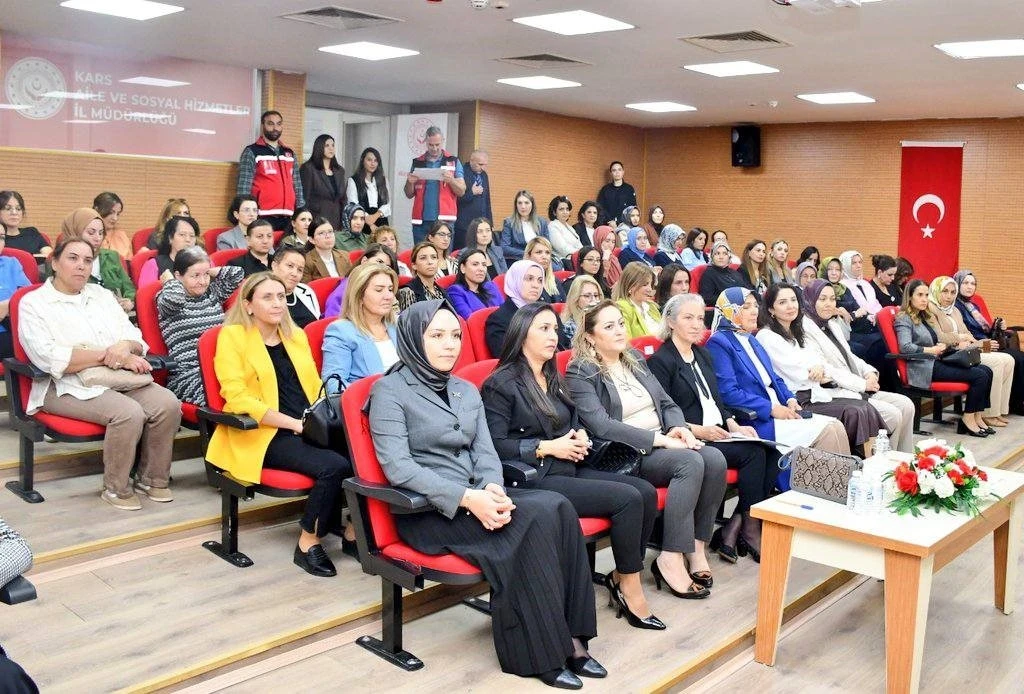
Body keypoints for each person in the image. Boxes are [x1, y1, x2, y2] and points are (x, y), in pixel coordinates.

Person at [368, 300, 602, 688]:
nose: (450, 344)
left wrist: (492, 486)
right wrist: (467, 498)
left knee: (559, 507)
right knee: (532, 523)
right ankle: (538, 655)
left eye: (455, 335)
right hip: (430, 511)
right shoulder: (388, 391)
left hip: (479, 496)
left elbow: (485, 451)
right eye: (437, 335)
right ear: (412, 339)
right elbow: (399, 467)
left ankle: (575, 640)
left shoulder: (463, 388)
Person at [483, 302, 663, 630]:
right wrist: (547, 447)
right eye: (543, 329)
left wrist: (578, 434)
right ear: (521, 334)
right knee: (628, 499)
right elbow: (494, 445)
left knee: (646, 492)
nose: (553, 336)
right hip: (535, 477)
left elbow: (572, 419)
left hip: (569, 465)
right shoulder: (501, 383)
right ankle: (629, 586)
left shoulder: (551, 375)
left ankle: (623, 573)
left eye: (555, 329)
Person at [568, 300, 725, 596]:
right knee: (690, 462)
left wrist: (678, 427)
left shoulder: (635, 359)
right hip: (628, 453)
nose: (619, 330)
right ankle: (670, 557)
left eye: (621, 323)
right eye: (609, 326)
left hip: (663, 442)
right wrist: (660, 440)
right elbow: (602, 426)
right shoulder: (581, 371)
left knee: (714, 458)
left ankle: (696, 547)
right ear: (590, 336)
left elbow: (667, 403)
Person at [206, 272, 352, 576]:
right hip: (263, 433)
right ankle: (308, 543)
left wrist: (320, 419)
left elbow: (313, 387)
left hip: (306, 424)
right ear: (248, 305)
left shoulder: (295, 336)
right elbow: (237, 398)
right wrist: (293, 424)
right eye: (267, 297)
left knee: (362, 453)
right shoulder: (232, 337)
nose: (277, 303)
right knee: (333, 466)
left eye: (281, 297)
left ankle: (352, 532)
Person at [19, 238, 182, 510]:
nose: (81, 266)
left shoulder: (101, 295)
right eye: (73, 258)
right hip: (62, 384)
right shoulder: (34, 303)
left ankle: (151, 478)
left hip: (117, 375)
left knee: (168, 403)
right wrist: (109, 354)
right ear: (54, 263)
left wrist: (125, 346)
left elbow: (134, 337)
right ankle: (116, 488)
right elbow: (48, 358)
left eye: (87, 260)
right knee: (128, 412)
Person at [650, 294, 780, 562]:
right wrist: (699, 430)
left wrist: (733, 423)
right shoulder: (661, 361)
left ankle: (736, 525)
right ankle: (749, 529)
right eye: (688, 318)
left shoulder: (702, 354)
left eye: (700, 318)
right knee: (755, 455)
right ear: (671, 322)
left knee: (772, 453)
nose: (696, 324)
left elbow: (717, 399)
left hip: (719, 431)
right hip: (691, 437)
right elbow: (663, 414)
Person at [705, 287, 850, 453]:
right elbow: (728, 393)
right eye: (745, 307)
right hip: (758, 419)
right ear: (729, 311)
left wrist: (790, 399)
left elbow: (774, 378)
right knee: (828, 431)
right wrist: (771, 408)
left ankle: (840, 471)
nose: (754, 311)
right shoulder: (719, 342)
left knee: (836, 425)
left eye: (755, 306)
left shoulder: (751, 339)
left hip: (780, 410)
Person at [755, 283, 887, 456]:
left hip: (815, 393)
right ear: (771, 309)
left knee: (864, 408)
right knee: (855, 410)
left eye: (793, 300)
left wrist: (818, 368)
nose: (790, 306)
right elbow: (799, 372)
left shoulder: (795, 332)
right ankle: (859, 463)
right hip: (797, 400)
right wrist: (816, 370)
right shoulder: (767, 336)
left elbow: (818, 363)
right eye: (782, 302)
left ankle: (871, 463)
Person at [801, 279, 916, 453]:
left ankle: (904, 458)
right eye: (822, 299)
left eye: (832, 299)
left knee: (906, 405)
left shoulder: (832, 324)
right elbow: (827, 369)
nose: (829, 304)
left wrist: (869, 372)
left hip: (857, 387)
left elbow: (850, 356)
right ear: (810, 300)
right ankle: (884, 460)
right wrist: (863, 384)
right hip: (836, 392)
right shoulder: (805, 330)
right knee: (893, 414)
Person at [895, 279, 993, 437]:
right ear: (910, 297)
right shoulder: (904, 318)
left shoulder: (925, 316)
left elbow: (938, 339)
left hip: (938, 360)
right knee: (979, 375)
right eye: (920, 295)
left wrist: (942, 346)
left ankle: (977, 416)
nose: (924, 299)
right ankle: (967, 419)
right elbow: (905, 347)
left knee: (986, 370)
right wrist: (931, 349)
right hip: (923, 367)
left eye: (926, 295)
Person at [157, 247, 244, 405]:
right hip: (188, 375)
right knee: (232, 391)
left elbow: (237, 274)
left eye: (206, 275)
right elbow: (176, 297)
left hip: (223, 365)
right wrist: (169, 281)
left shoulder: (212, 293)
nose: (203, 281)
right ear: (178, 275)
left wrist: (209, 270)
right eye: (195, 276)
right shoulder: (167, 297)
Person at [927, 276, 1016, 428]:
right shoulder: (931, 309)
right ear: (936, 291)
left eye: (952, 292)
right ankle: (988, 413)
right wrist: (962, 339)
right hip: (952, 353)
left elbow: (968, 333)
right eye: (945, 291)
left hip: (968, 349)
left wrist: (981, 344)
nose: (949, 296)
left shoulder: (955, 310)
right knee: (997, 362)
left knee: (1009, 359)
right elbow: (940, 337)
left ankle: (998, 411)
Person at [954, 269, 1024, 414]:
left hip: (988, 343)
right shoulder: (956, 307)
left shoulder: (973, 306)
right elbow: (966, 334)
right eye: (965, 283)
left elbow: (983, 331)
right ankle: (1015, 403)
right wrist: (985, 343)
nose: (969, 287)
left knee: (1020, 357)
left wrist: (998, 326)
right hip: (975, 346)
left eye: (973, 284)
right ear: (957, 284)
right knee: (1016, 357)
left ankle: (1015, 401)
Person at [321, 263, 398, 389]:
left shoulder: (398, 325)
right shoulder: (341, 331)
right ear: (359, 296)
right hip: (371, 398)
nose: (389, 296)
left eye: (390, 289)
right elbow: (333, 385)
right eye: (379, 290)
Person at [486, 260, 570, 358]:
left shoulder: (548, 313)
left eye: (540, 280)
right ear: (515, 280)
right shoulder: (499, 319)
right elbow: (507, 358)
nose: (536, 285)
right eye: (529, 279)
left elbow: (564, 345)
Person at [236, 110, 304, 231]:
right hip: (262, 216)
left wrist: (300, 212)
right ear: (263, 125)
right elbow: (243, 189)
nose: (275, 128)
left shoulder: (289, 153)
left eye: (279, 124)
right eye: (270, 124)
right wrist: (247, 214)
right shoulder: (252, 151)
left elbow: (297, 186)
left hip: (289, 217)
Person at [61, 207, 135, 313]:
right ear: (76, 231)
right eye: (91, 233)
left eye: (101, 233)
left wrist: (129, 301)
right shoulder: (61, 260)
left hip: (115, 314)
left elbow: (129, 288)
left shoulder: (112, 256)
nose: (98, 238)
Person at [404, 126, 465, 244]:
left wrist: (452, 180)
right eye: (431, 145)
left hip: (445, 221)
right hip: (421, 222)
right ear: (425, 142)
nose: (434, 148)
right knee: (421, 253)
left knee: (443, 254)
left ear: (443, 141)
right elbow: (408, 194)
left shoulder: (453, 161)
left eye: (437, 144)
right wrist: (410, 182)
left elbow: (462, 191)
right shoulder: (417, 162)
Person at [323, 244, 398, 317]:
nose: (382, 268)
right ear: (364, 261)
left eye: (387, 266)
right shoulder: (345, 289)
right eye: (379, 262)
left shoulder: (388, 290)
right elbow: (333, 319)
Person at [299, 134, 345, 231]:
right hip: (317, 219)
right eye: (327, 145)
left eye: (333, 145)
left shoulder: (339, 170)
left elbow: (343, 199)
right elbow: (305, 198)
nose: (331, 148)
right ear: (319, 147)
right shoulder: (308, 168)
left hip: (337, 221)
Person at [137, 215, 199, 287]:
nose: (188, 240)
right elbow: (145, 292)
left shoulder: (203, 263)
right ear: (170, 238)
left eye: (192, 236)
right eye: (182, 235)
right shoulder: (155, 264)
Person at [0, 231, 31, 358]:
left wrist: (8, 305)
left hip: (13, 330)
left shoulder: (11, 264)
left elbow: (29, 296)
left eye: (1, 237)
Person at [271, 247, 320, 328]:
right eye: (290, 266)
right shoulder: (263, 295)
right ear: (274, 266)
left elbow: (317, 324)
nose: (295, 273)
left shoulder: (306, 291)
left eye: (300, 270)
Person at [446, 249, 502, 319]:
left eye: (484, 265)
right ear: (463, 268)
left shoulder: (491, 286)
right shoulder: (456, 291)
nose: (481, 269)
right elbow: (470, 319)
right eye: (475, 264)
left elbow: (505, 312)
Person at [347, 146, 392, 231]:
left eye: (375, 160)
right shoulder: (353, 180)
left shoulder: (383, 180)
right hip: (361, 221)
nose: (372, 163)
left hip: (381, 221)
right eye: (369, 160)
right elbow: (353, 204)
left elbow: (387, 204)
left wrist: (376, 216)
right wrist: (370, 223)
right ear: (362, 161)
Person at [500, 190, 550, 264]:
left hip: (541, 260)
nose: (523, 206)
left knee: (557, 268)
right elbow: (504, 248)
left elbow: (547, 245)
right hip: (519, 260)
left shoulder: (542, 222)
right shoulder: (509, 223)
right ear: (516, 205)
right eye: (520, 203)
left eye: (526, 203)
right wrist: (528, 254)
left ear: (532, 205)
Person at [613, 263, 661, 338]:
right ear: (630, 286)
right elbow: (626, 341)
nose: (650, 289)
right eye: (645, 284)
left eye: (650, 284)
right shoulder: (622, 307)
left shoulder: (652, 307)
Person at [397, 242, 448, 312]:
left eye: (433, 257)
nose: (430, 262)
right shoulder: (408, 292)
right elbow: (408, 318)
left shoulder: (442, 291)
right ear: (414, 265)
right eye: (423, 258)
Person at [455, 149, 491, 249]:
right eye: (480, 164)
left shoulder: (484, 175)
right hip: (464, 225)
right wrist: (472, 193)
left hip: (480, 224)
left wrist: (489, 222)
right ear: (471, 161)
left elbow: (487, 200)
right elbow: (456, 199)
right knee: (464, 252)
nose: (483, 168)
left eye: (485, 165)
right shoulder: (461, 173)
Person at [0, 192, 51, 258]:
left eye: (18, 209)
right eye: (8, 208)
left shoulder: (32, 232)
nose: (14, 213)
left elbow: (49, 256)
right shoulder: (1, 238)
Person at [302, 217, 352, 283]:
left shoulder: (344, 255)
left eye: (330, 232)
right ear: (312, 240)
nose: (328, 236)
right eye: (321, 233)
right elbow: (306, 287)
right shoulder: (306, 261)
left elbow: (352, 281)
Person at [698, 241, 744, 308]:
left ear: (729, 256)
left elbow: (745, 290)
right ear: (712, 256)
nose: (721, 257)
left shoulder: (735, 273)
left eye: (724, 254)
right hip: (723, 309)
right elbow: (707, 298)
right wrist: (729, 299)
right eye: (717, 253)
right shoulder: (709, 273)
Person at [561, 275, 604, 341]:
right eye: (587, 296)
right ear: (576, 298)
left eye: (596, 295)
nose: (593, 300)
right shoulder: (568, 326)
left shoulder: (605, 320)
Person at [596, 161, 637, 227]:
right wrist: (610, 221)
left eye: (619, 170)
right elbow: (600, 207)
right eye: (614, 170)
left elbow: (632, 208)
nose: (617, 172)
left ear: (623, 172)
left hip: (624, 225)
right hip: (607, 224)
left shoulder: (629, 189)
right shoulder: (605, 189)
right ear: (611, 173)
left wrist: (618, 222)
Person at [525, 236, 564, 302]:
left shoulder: (555, 280)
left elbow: (565, 305)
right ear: (529, 256)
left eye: (547, 253)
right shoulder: (524, 281)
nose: (544, 256)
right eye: (539, 252)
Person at [94, 192, 129, 259]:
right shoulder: (87, 235)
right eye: (111, 212)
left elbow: (129, 263)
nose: (115, 218)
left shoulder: (122, 236)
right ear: (97, 210)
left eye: (118, 214)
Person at [547, 195, 582, 260]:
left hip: (577, 258)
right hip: (564, 261)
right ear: (554, 212)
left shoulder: (570, 227)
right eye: (561, 209)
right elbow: (562, 248)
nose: (565, 212)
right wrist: (581, 254)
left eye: (567, 209)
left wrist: (585, 253)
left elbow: (579, 245)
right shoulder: (552, 226)